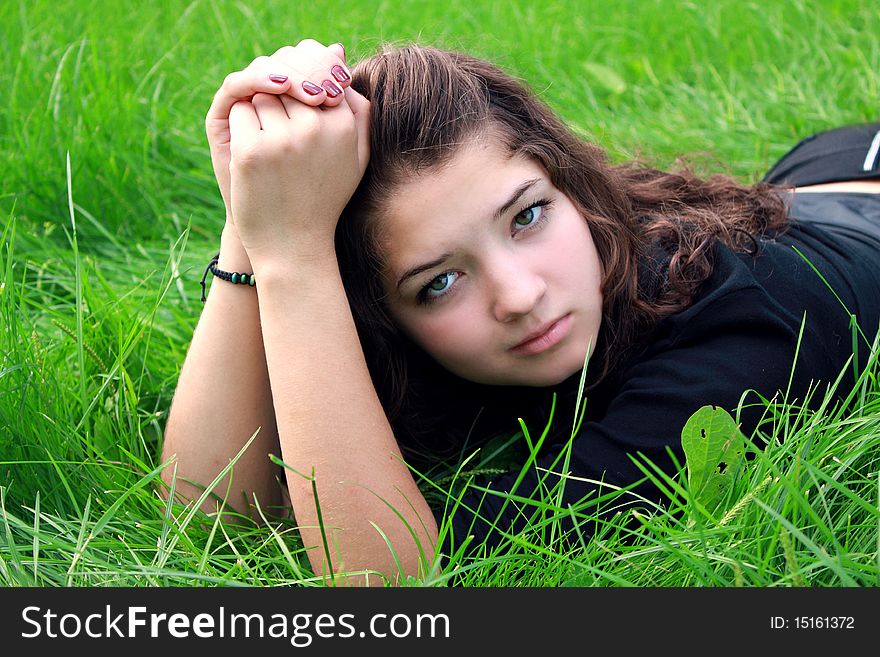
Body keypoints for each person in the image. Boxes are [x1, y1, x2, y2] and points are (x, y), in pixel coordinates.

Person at [161, 39, 880, 585]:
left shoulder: (741, 343)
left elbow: (393, 579)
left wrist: (294, 254)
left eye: (528, 215)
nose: (519, 294)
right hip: (808, 183)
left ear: (571, 183)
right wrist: (255, 225)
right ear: (383, 311)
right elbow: (209, 518)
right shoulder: (502, 300)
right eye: (438, 283)